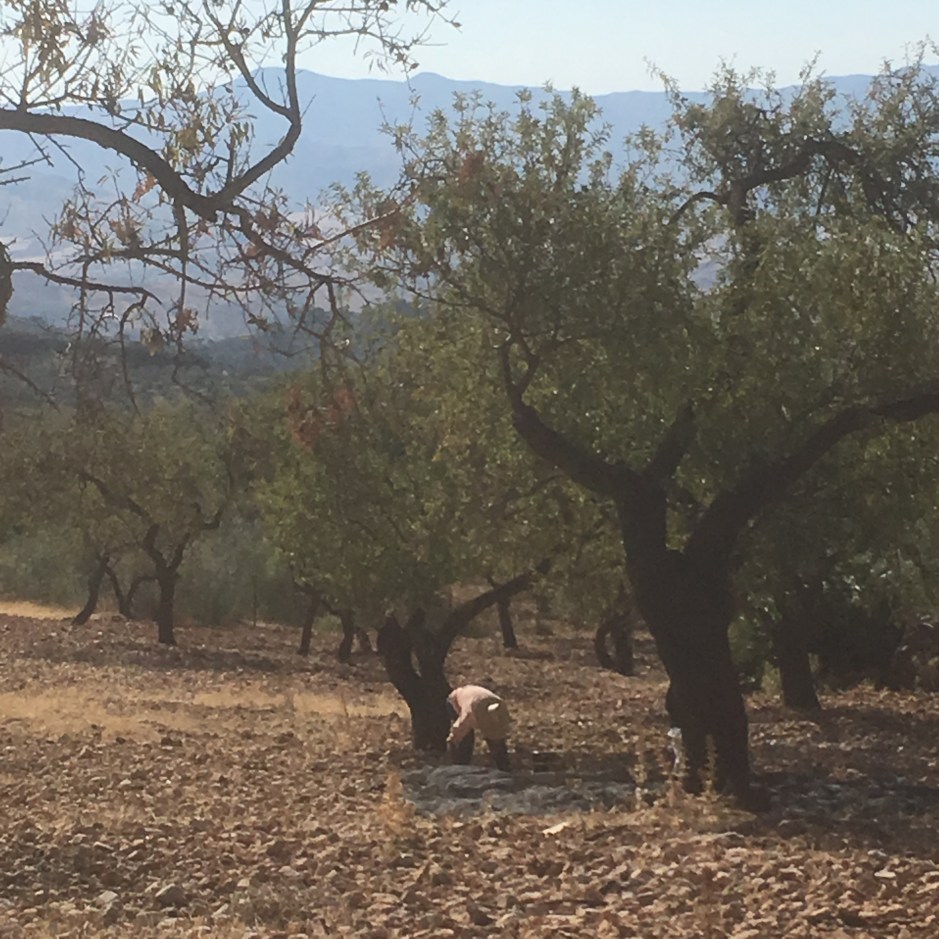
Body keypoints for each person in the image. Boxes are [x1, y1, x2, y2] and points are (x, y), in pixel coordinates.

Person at [446, 684, 512, 771]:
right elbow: (457, 732)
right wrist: (453, 741)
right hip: (455, 701)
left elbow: (499, 733)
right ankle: (461, 767)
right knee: (465, 737)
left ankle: (503, 767)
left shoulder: (500, 708)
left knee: (497, 743)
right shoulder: (468, 715)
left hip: (473, 696)